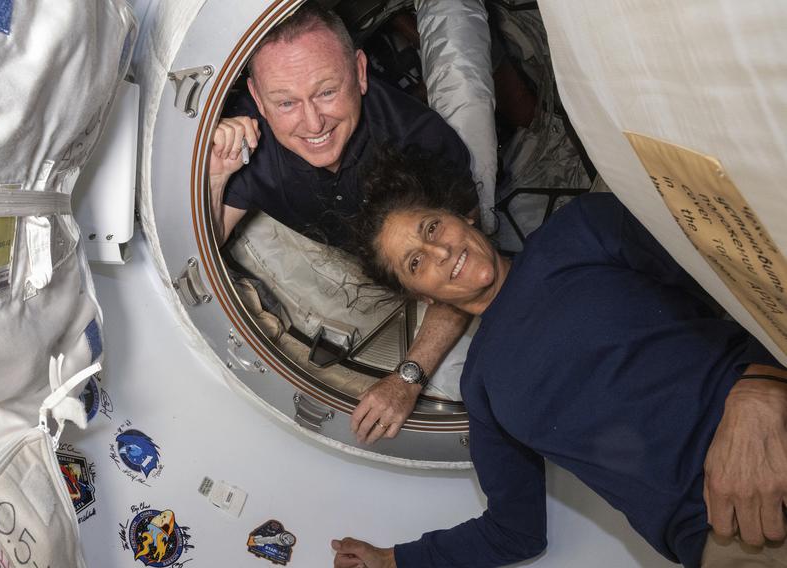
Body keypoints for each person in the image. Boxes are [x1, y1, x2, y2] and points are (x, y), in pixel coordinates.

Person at [331, 149, 787, 567]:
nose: (440, 251)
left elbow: (742, 273)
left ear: (461, 214)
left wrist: (762, 386)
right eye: (415, 263)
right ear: (421, 296)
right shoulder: (482, 388)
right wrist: (395, 560)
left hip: (770, 426)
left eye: (432, 228)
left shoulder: (580, 230)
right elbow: (514, 532)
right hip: (729, 536)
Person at [208, 3, 480, 444]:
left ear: (360, 71)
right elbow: (206, 242)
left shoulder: (421, 143)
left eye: (327, 92)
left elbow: (467, 271)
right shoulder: (249, 140)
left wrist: (407, 378)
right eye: (286, 102)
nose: (313, 122)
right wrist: (217, 175)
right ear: (258, 99)